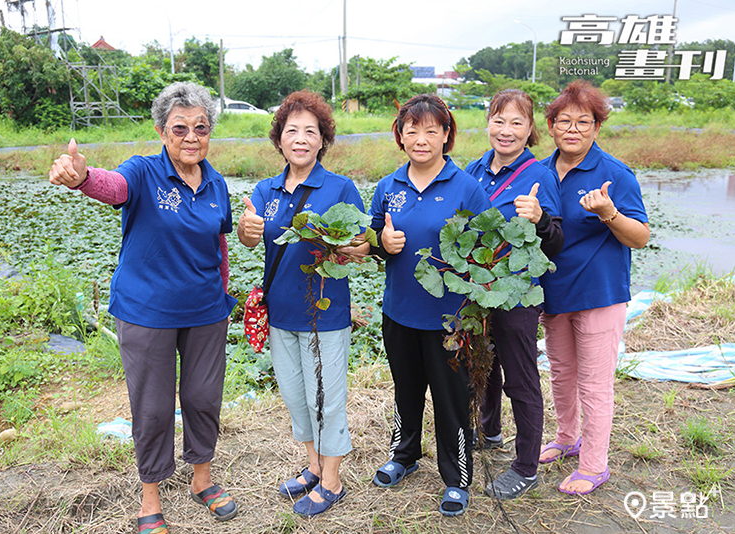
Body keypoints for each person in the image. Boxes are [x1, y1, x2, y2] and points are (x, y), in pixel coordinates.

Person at [48, 82, 238, 532]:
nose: (191, 137)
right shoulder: (142, 172)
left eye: (201, 127)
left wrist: (223, 295)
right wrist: (80, 176)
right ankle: (150, 496)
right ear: (161, 131)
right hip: (146, 312)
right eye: (180, 128)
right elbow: (110, 186)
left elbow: (219, 243)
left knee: (202, 398)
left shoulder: (216, 183)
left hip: (207, 312)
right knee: (152, 408)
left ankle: (202, 480)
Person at [236, 90, 363, 517]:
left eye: (311, 131)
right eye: (292, 130)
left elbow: (364, 246)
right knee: (294, 396)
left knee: (325, 398)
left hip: (323, 314)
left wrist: (342, 242)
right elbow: (250, 237)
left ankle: (332, 481)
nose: (301, 138)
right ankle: (312, 466)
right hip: (281, 311)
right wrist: (246, 231)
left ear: (323, 140)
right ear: (279, 140)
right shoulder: (265, 189)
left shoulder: (340, 188)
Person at [366, 94, 492, 517]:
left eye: (431, 130)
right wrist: (381, 245)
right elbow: (370, 241)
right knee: (406, 391)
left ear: (446, 135)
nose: (421, 138)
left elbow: (488, 247)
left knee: (451, 397)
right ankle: (404, 455)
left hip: (450, 319)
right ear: (400, 136)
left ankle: (456, 477)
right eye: (412, 129)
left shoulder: (466, 188)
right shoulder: (388, 186)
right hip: (399, 311)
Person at [538, 80, 650, 495]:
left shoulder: (614, 174)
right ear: (550, 126)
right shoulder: (540, 172)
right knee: (562, 373)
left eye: (583, 121)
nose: (573, 129)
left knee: (595, 381)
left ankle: (594, 464)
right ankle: (567, 439)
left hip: (600, 294)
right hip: (554, 292)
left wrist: (609, 212)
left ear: (596, 128)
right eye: (564, 121)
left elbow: (639, 236)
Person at [464, 89, 564, 500]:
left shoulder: (539, 175)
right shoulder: (472, 170)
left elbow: (556, 243)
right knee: (481, 366)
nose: (506, 131)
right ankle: (489, 430)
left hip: (519, 294)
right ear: (488, 123)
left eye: (516, 123)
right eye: (499, 121)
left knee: (520, 379)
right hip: (475, 290)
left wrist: (539, 219)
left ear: (530, 130)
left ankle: (525, 466)